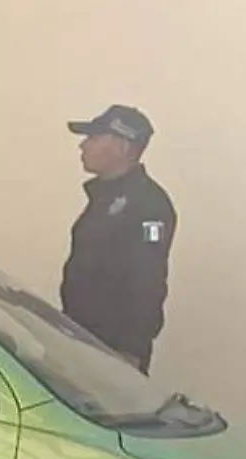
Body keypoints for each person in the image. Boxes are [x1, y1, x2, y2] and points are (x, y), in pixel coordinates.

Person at [62, 104, 176, 372]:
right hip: (83, 339)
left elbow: (149, 279)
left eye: (93, 137)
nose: (83, 146)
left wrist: (131, 350)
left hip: (113, 350)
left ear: (121, 146)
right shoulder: (106, 198)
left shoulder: (150, 206)